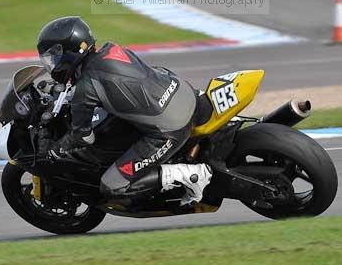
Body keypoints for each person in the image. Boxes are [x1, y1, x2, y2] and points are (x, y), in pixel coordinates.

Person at [36, 16, 212, 206]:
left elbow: (83, 137)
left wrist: (54, 150)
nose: (52, 63)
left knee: (112, 186)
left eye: (54, 56)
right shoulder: (112, 50)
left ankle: (191, 175)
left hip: (170, 128)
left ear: (69, 51)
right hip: (183, 92)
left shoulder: (86, 88)